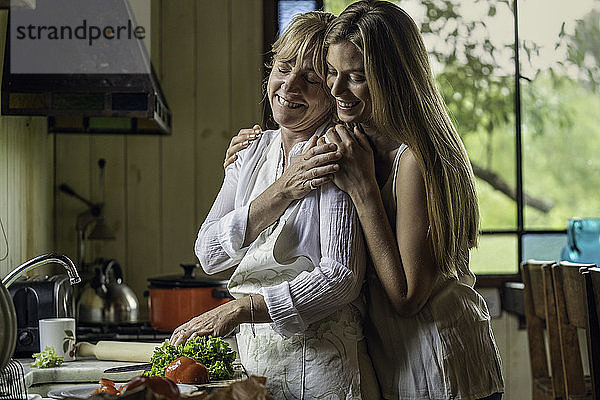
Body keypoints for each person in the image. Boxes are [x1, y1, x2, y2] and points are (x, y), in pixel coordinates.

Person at [225, 1, 504, 399]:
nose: (337, 90)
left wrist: (364, 191)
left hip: (440, 367)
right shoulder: (360, 143)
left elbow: (407, 298)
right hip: (396, 364)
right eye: (332, 73)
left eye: (355, 77)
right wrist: (247, 158)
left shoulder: (415, 159)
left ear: (392, 80)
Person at [170, 11, 380, 400]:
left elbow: (341, 277)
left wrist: (239, 309)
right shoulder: (251, 150)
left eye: (311, 79)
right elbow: (208, 252)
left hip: (320, 371)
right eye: (283, 68)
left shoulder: (335, 151)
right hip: (255, 363)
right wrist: (279, 193)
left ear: (333, 91)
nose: (289, 86)